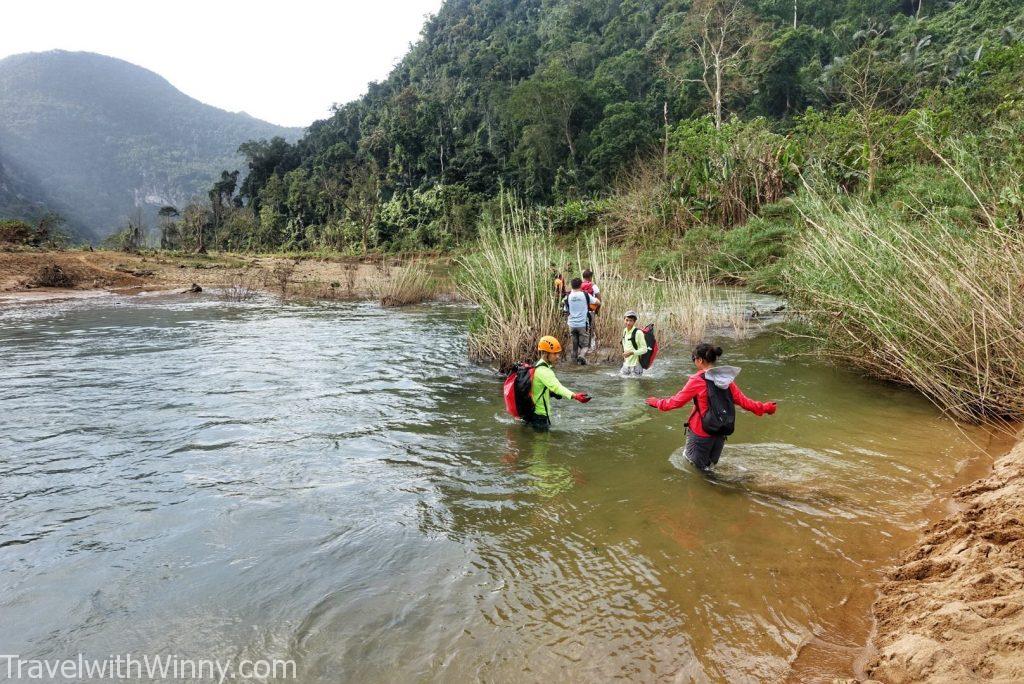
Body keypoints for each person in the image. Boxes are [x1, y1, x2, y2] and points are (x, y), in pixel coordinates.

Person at [645, 343, 777, 470]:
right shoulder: (727, 380)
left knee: (696, 470)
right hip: (720, 431)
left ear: (700, 360)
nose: (694, 362)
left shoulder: (697, 380)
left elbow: (675, 402)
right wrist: (765, 408)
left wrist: (656, 402)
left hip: (700, 433)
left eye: (694, 359)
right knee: (711, 468)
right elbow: (744, 402)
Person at [529, 335, 591, 430]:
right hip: (540, 416)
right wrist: (575, 396)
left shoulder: (538, 365)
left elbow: (538, 387)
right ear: (546, 353)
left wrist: (550, 393)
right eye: (554, 354)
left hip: (534, 413)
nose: (557, 356)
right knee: (542, 443)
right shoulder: (544, 371)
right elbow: (557, 387)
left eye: (558, 353)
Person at [562, 278, 592, 365]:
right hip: (582, 324)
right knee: (586, 346)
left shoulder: (567, 296)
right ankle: (581, 356)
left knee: (574, 348)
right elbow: (597, 302)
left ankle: (573, 365)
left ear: (571, 285)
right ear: (581, 285)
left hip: (571, 324)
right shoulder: (585, 295)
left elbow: (565, 310)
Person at [620, 311, 647, 376]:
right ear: (624, 319)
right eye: (627, 320)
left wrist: (631, 353)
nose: (628, 323)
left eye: (631, 321)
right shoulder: (625, 331)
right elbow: (625, 345)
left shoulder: (638, 333)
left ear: (634, 322)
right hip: (626, 365)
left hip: (636, 367)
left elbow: (644, 349)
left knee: (634, 386)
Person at [581, 269, 601, 349]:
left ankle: (583, 347)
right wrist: (597, 310)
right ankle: (591, 347)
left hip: (581, 311)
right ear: (590, 277)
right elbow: (599, 299)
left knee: (583, 329)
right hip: (591, 311)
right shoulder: (593, 286)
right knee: (591, 328)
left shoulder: (579, 285)